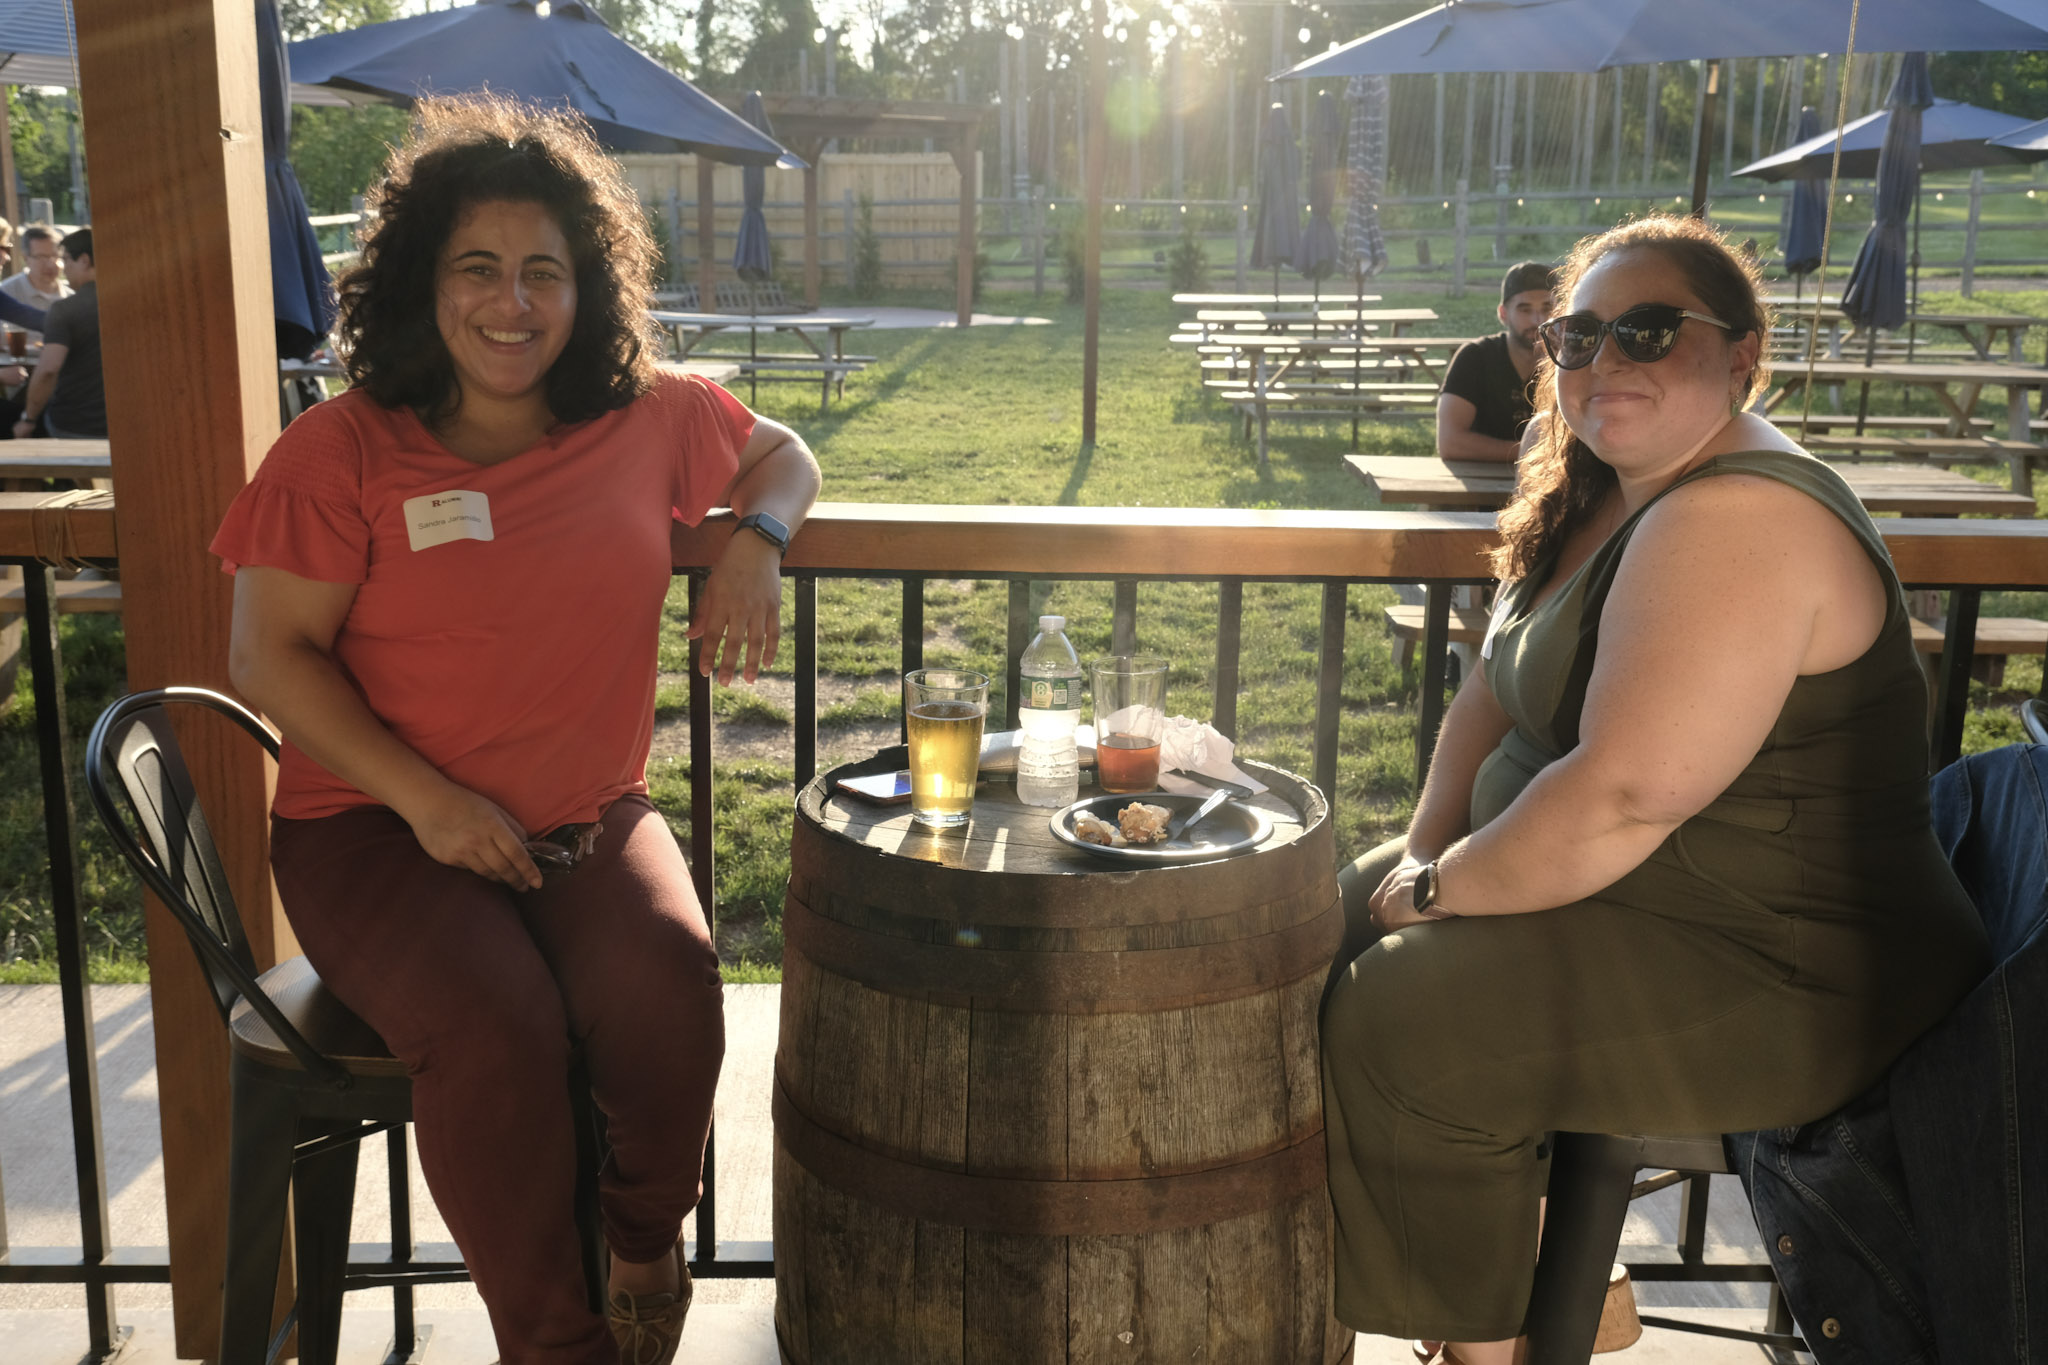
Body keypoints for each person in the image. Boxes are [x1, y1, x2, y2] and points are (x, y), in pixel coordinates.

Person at [213, 95, 820, 1365]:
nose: (512, 302)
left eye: (543, 270)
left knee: (669, 989)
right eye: (476, 268)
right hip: (373, 828)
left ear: (586, 288)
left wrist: (754, 542)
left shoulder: (648, 414)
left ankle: (642, 1241)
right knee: (497, 1029)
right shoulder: (341, 453)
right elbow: (266, 651)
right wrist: (430, 802)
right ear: (422, 284)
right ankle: (557, 1345)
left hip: (583, 813)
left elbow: (785, 456)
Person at [1321, 215, 1989, 1364]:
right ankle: (1546, 1257)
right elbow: (1488, 692)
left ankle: (1493, 1346)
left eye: (1646, 330)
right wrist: (1419, 852)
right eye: (1576, 336)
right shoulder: (1600, 489)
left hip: (1788, 965)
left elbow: (1623, 796)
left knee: (1405, 1019)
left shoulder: (1738, 514)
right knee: (1313, 922)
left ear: (1740, 357)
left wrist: (1432, 898)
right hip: (1644, 906)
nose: (1603, 361)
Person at [1435, 261, 1555, 462]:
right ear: (1503, 314)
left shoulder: (1572, 362)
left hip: (1554, 484)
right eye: (1525, 310)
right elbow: (1450, 442)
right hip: (1478, 485)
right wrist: (1534, 453)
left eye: (1547, 307)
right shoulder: (1475, 357)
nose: (1537, 320)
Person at [13, 229, 101, 440]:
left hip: (74, 426)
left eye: (64, 259)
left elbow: (48, 370)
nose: (62, 268)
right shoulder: (133, 302)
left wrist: (28, 420)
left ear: (84, 260)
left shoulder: (66, 308)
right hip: (124, 422)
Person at [1, 224, 70, 340]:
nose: (7, 257)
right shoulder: (7, 290)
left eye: (55, 256)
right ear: (25, 258)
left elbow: (24, 314)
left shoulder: (72, 296)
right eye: (41, 257)